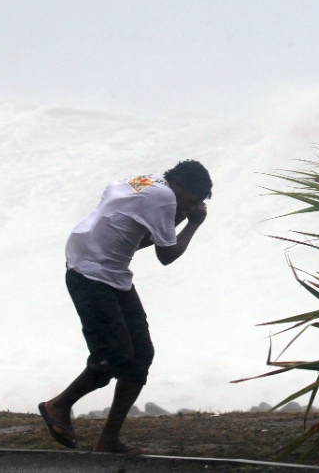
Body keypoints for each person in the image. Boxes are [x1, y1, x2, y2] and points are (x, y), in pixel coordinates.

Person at [38, 159, 212, 454]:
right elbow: (166, 255)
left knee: (140, 355)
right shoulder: (164, 199)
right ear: (180, 187)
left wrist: (179, 214)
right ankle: (58, 405)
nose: (190, 206)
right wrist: (193, 223)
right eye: (192, 200)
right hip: (90, 272)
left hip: (104, 266)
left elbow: (138, 236)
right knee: (114, 356)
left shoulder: (152, 181)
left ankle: (108, 441)